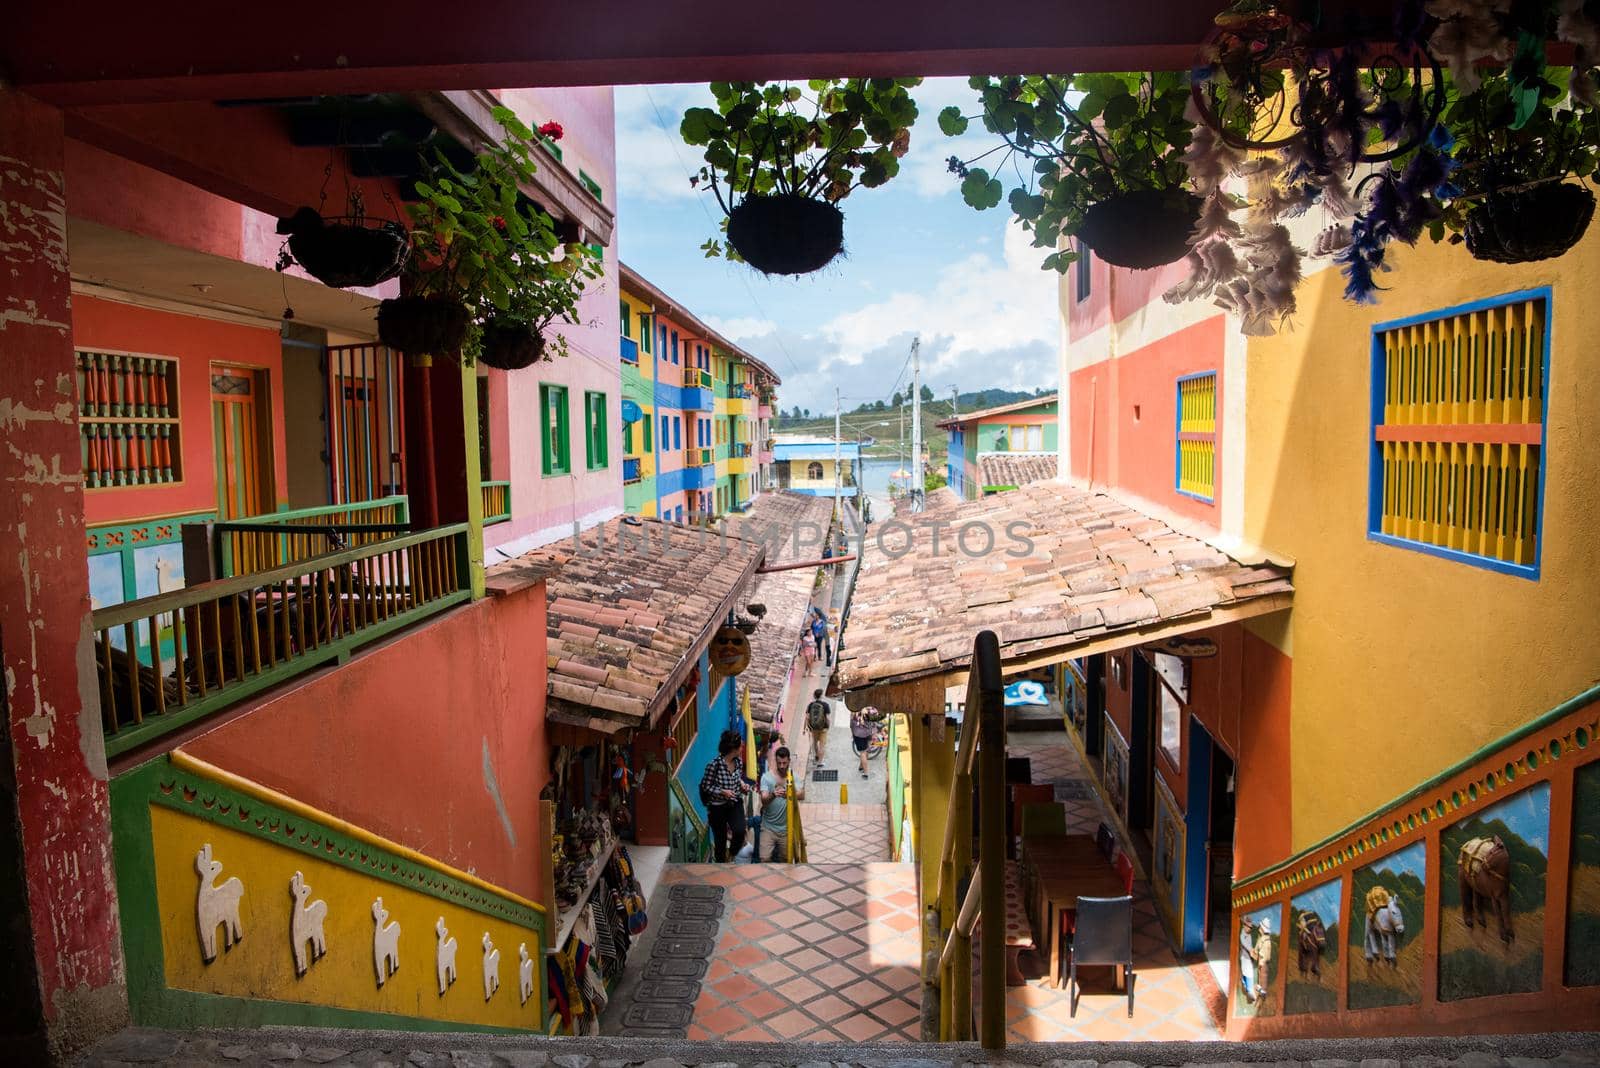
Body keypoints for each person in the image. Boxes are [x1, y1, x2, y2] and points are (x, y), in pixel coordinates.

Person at [698, 732, 750, 862]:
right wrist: (722, 792)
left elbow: (736, 779)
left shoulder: (738, 762)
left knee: (739, 831)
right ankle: (721, 865)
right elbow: (706, 786)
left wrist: (742, 785)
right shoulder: (714, 765)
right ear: (734, 749)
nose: (742, 749)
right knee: (720, 841)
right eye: (740, 747)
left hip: (734, 802)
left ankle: (731, 855)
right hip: (717, 808)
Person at [758, 746, 805, 862]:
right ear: (776, 761)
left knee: (785, 861)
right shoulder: (767, 778)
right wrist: (773, 794)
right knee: (764, 859)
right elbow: (763, 799)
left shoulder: (794, 777)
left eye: (784, 763)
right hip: (768, 828)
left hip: (786, 830)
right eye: (779, 763)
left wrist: (789, 795)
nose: (782, 766)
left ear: (789, 760)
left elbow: (802, 795)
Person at [850, 705, 882, 779]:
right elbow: (874, 722)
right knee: (866, 750)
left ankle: (866, 773)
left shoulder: (855, 709)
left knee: (862, 753)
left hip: (859, 734)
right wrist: (874, 733)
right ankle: (861, 766)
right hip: (869, 733)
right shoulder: (871, 709)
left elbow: (851, 723)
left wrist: (852, 732)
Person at [804, 688, 831, 767]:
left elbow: (807, 717)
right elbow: (827, 718)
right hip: (823, 728)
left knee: (815, 743)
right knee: (822, 745)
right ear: (821, 696)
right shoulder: (825, 705)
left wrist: (805, 727)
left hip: (813, 728)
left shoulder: (810, 705)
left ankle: (816, 756)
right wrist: (828, 725)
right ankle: (820, 762)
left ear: (814, 696)